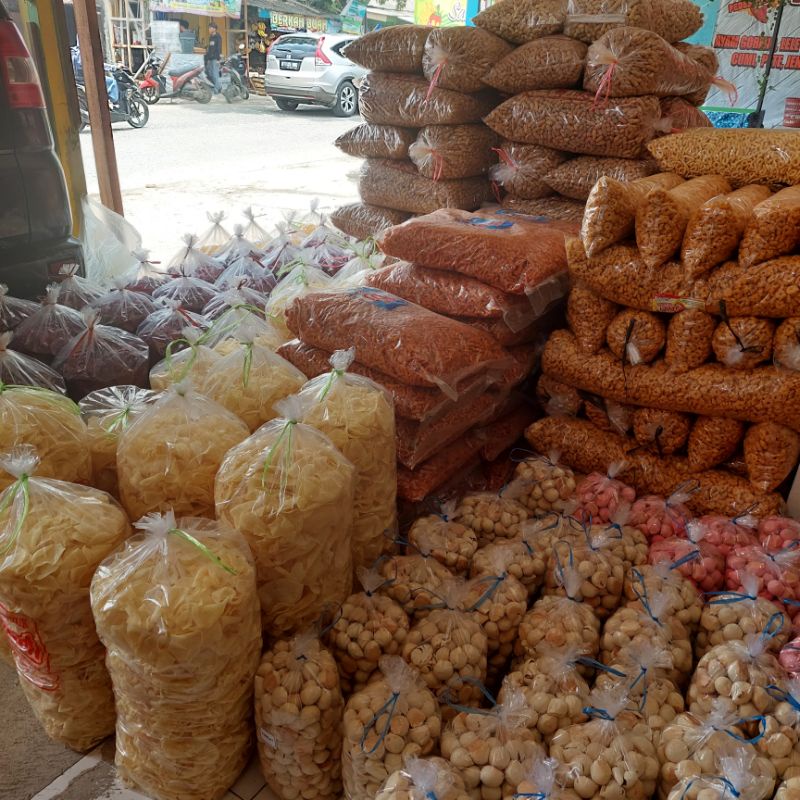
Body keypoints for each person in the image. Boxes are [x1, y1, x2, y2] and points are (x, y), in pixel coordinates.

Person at [205, 22, 223, 95]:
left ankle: (217, 89)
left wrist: (218, 59)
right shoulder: (211, 37)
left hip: (216, 58)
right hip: (210, 59)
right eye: (209, 28)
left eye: (210, 28)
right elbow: (210, 48)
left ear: (214, 29)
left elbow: (219, 49)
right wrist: (208, 58)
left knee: (215, 74)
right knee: (210, 73)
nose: (209, 29)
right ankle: (218, 87)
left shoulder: (218, 37)